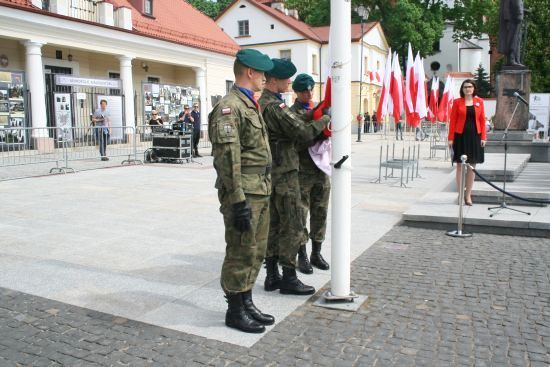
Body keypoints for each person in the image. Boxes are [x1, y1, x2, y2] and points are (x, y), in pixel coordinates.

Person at [208, 49, 274, 334]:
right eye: (262, 73)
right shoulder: (230, 107)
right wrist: (237, 200)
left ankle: (246, 301)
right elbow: (227, 157)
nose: (264, 78)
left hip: (259, 189)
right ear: (249, 72)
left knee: (255, 250)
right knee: (240, 250)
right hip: (243, 193)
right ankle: (234, 311)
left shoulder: (250, 104)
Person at [258, 59, 330, 296]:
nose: (289, 82)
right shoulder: (273, 106)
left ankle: (271, 276)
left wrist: (313, 116)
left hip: (276, 171)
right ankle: (288, 276)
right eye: (287, 79)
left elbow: (295, 121)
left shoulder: (269, 104)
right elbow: (300, 132)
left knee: (276, 225)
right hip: (285, 173)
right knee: (293, 224)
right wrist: (326, 119)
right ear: (274, 80)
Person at [290, 73, 331, 275]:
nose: (308, 93)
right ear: (296, 92)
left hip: (321, 170)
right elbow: (299, 140)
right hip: (303, 171)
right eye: (304, 90)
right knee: (301, 214)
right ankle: (302, 255)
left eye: (310, 89)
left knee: (320, 212)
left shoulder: (319, 109)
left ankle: (317, 252)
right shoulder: (291, 113)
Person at [448, 79, 487, 206]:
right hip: (460, 136)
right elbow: (452, 120)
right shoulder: (457, 102)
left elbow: (482, 120)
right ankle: (460, 194)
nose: (468, 89)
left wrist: (483, 137)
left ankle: (468, 194)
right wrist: (450, 137)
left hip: (475, 136)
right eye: (465, 87)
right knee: (460, 165)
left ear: (473, 88)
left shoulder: (479, 102)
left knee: (472, 166)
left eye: (470, 86)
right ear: (462, 89)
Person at [498, 0, 525, 67]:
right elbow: (513, 5)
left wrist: (523, 11)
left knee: (517, 40)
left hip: (515, 18)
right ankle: (511, 60)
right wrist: (508, 18)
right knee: (513, 40)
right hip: (513, 19)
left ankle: (516, 59)